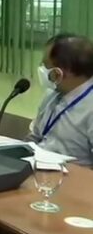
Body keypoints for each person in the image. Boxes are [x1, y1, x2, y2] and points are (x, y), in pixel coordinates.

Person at [29, 34, 93, 167]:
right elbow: (34, 137)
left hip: (71, 176)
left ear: (64, 70)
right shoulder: (51, 94)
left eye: (46, 65)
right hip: (37, 168)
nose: (42, 70)